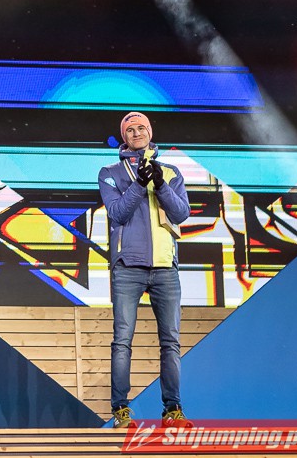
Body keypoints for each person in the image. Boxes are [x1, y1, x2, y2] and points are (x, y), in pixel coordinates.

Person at [98, 112, 192, 429]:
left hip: (166, 267)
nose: (137, 133)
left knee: (171, 342)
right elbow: (117, 213)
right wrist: (139, 184)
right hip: (128, 267)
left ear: (150, 133)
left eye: (142, 128)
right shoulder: (110, 173)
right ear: (124, 137)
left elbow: (181, 213)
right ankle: (121, 410)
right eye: (130, 129)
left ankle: (173, 410)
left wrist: (160, 184)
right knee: (122, 341)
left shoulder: (171, 171)